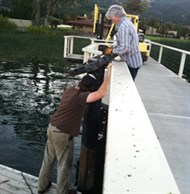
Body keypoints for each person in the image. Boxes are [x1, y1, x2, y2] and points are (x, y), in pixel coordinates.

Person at [38, 63, 112, 194]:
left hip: (52, 127)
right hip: (62, 133)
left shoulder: (70, 90)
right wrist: (109, 73)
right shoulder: (81, 97)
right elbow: (101, 93)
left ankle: (42, 187)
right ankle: (63, 192)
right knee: (63, 165)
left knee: (48, 160)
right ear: (88, 90)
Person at [104, 5, 143, 80]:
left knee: (127, 85)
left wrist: (112, 51)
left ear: (117, 16)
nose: (111, 21)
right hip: (134, 60)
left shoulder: (123, 27)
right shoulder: (127, 22)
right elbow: (124, 43)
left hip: (131, 63)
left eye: (111, 18)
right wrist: (113, 48)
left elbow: (125, 48)